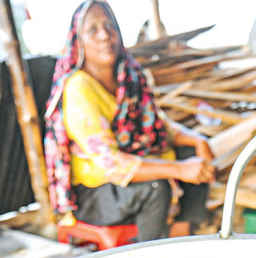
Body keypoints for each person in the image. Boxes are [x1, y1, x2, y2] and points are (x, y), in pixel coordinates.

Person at [43, 0, 215, 242]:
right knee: (156, 186)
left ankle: (182, 230)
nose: (104, 35)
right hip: (94, 195)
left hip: (127, 179)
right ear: (78, 40)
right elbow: (111, 164)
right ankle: (148, 255)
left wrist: (197, 139)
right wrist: (179, 170)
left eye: (109, 26)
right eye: (92, 29)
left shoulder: (131, 76)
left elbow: (158, 125)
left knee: (192, 153)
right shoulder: (78, 89)